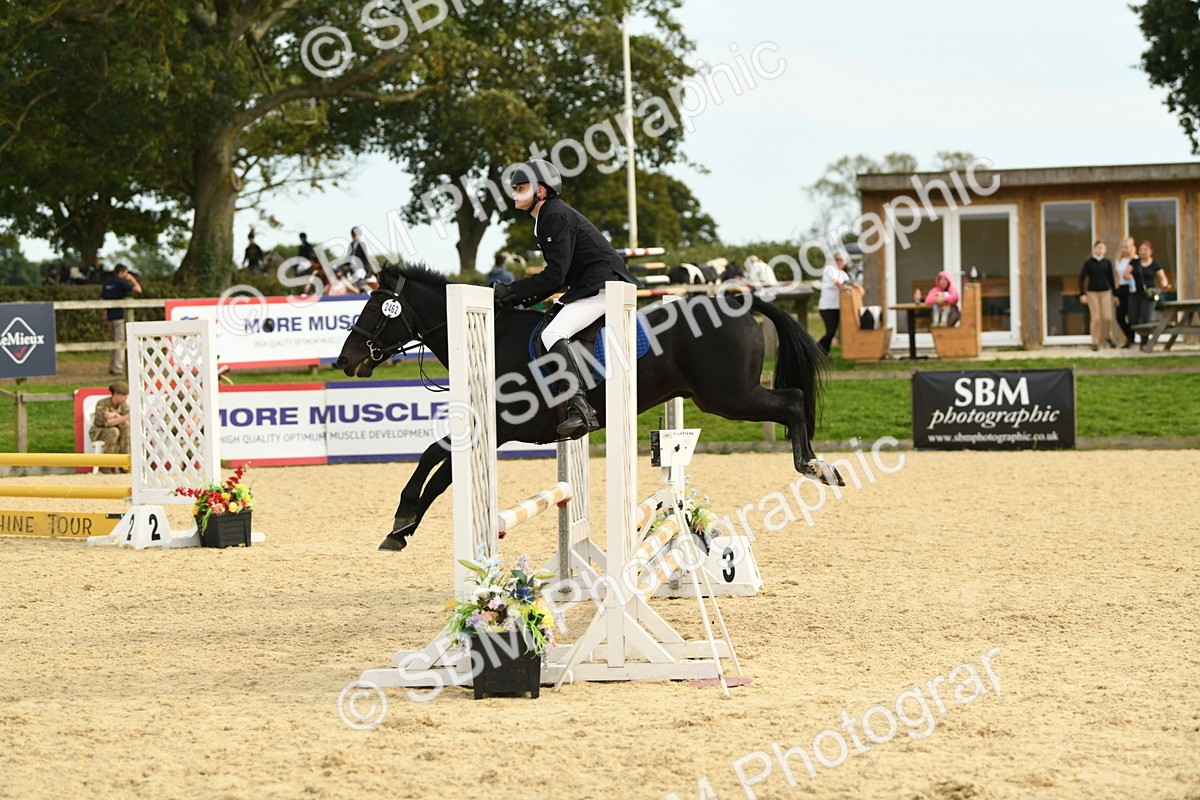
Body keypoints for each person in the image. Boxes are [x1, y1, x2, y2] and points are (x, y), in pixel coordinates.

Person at [492, 159, 641, 438]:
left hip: (604, 286)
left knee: (553, 332)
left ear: (540, 191)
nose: (515, 193)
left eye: (521, 187)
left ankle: (580, 407)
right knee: (553, 320)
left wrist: (511, 292)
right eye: (514, 188)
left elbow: (555, 276)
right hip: (592, 285)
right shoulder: (546, 216)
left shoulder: (553, 215)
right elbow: (557, 279)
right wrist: (516, 299)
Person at [1124, 239, 1171, 351]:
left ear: (1151, 251)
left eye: (1145, 249)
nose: (1142, 252)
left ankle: (1144, 342)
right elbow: (1126, 273)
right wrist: (1128, 277)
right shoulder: (1134, 262)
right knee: (1133, 318)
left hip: (1148, 295)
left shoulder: (1155, 264)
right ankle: (1133, 338)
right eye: (1140, 249)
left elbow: (1162, 277)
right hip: (1135, 294)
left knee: (1145, 318)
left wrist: (1164, 285)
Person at [101, 263, 141, 375]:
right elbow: (138, 290)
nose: (127, 275)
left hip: (109, 315)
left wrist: (104, 315)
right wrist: (132, 279)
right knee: (120, 342)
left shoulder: (107, 283)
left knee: (114, 342)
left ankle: (112, 366)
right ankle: (118, 368)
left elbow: (103, 299)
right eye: (126, 272)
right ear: (121, 272)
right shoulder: (121, 283)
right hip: (119, 316)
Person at [1078, 241, 1116, 350]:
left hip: (1105, 292)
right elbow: (1081, 279)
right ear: (1094, 249)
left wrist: (1115, 294)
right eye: (1098, 248)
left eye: (1102, 248)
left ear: (1105, 250)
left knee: (1108, 317)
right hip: (1092, 293)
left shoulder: (1107, 263)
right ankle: (1094, 341)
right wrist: (1082, 294)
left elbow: (1111, 279)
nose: (1100, 250)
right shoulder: (1089, 263)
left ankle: (1109, 337)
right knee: (1096, 318)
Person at [817, 251, 856, 353]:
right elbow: (839, 283)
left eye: (841, 260)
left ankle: (823, 354)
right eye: (837, 259)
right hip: (827, 307)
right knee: (830, 332)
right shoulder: (829, 270)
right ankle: (816, 351)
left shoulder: (843, 274)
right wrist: (846, 286)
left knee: (833, 333)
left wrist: (858, 287)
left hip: (838, 307)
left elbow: (851, 283)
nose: (839, 262)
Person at [89, 380, 131, 464]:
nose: (126, 398)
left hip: (116, 430)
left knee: (126, 430)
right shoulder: (102, 404)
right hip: (99, 431)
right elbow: (109, 423)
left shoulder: (123, 405)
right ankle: (106, 463)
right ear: (115, 394)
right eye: (123, 395)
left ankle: (125, 463)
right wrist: (126, 416)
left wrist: (116, 415)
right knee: (114, 431)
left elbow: (127, 423)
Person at [1112, 237, 1137, 348]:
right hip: (1121, 288)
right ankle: (1129, 337)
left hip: (1131, 289)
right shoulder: (1118, 261)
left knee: (1131, 315)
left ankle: (1131, 340)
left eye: (1126, 247)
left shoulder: (1136, 260)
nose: (1124, 249)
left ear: (1132, 248)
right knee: (1119, 316)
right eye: (1122, 247)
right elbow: (1118, 278)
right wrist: (1115, 294)